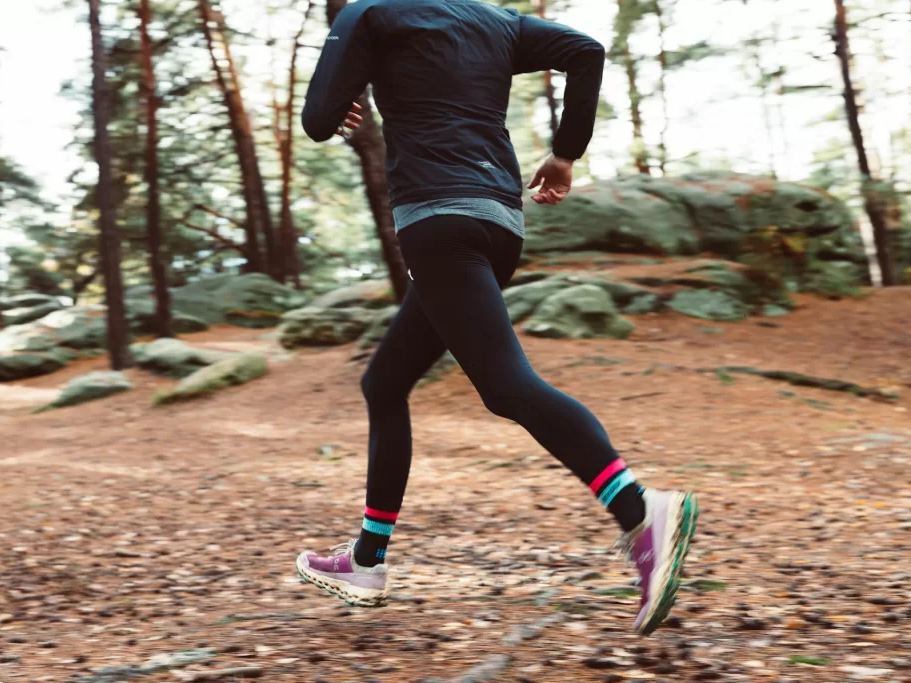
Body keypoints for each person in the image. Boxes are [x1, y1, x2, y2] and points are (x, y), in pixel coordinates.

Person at [296, 0, 698, 635]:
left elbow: (318, 120)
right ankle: (367, 560)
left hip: (436, 222)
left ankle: (640, 510)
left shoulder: (370, 15)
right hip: (499, 223)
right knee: (386, 382)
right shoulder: (496, 20)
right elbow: (585, 51)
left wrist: (339, 98)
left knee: (508, 388)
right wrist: (566, 153)